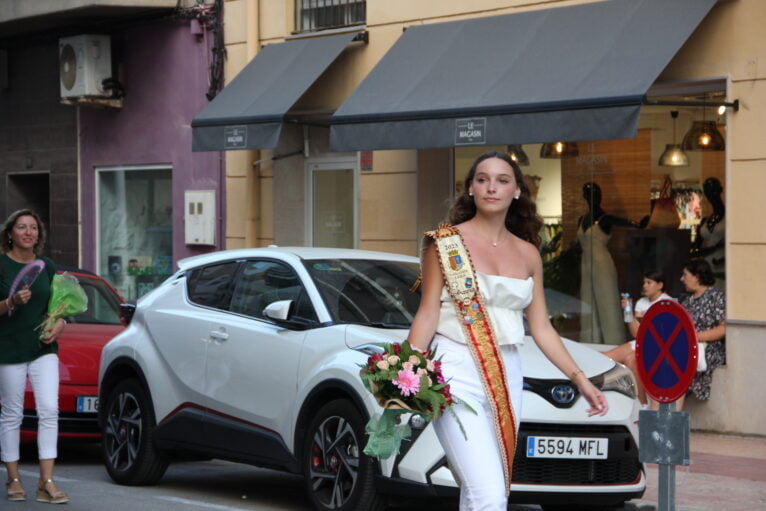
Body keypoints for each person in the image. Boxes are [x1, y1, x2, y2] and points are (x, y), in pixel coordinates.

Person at [407, 151, 608, 510]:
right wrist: (405, 374)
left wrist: (581, 379)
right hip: (454, 366)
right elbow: (427, 315)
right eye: (482, 179)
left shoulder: (529, 254)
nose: (491, 187)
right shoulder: (445, 244)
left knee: (485, 488)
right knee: (488, 493)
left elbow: (542, 327)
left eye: (502, 180)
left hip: (507, 372)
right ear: (470, 188)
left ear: (517, 191)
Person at [0, 209, 68, 504]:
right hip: (9, 346)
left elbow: (59, 306)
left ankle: (47, 481)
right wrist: (11, 301)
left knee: (50, 409)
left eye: (33, 228)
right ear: (10, 233)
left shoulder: (47, 266)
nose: (28, 232)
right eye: (21, 227)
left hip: (43, 347)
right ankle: (13, 478)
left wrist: (61, 324)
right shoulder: (1, 265)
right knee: (12, 413)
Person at [578, 182, 646, 345]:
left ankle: (613, 342)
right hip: (586, 263)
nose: (595, 197)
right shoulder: (582, 219)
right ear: (585, 197)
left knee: (607, 301)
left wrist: (638, 224)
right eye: (590, 194)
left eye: (597, 193)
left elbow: (625, 222)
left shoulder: (605, 218)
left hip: (602, 264)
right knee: (588, 303)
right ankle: (590, 342)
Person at [604, 270, 673, 406]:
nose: (645, 286)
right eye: (644, 283)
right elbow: (636, 333)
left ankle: (642, 404)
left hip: (660, 347)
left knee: (619, 358)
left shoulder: (666, 302)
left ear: (660, 285)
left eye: (649, 282)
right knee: (619, 358)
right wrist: (628, 310)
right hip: (642, 341)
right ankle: (642, 404)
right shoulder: (641, 302)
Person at [678, 258, 726, 410]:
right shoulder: (687, 301)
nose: (681, 279)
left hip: (708, 348)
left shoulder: (716, 297)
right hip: (688, 346)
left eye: (685, 275)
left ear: (697, 276)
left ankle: (670, 417)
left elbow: (723, 329)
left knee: (676, 366)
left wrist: (695, 338)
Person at [691, 177, 725, 290]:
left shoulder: (730, 218)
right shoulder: (705, 221)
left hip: (724, 268)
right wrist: (713, 248)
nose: (711, 195)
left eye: (713, 190)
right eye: (707, 191)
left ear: (720, 190)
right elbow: (694, 249)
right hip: (707, 269)